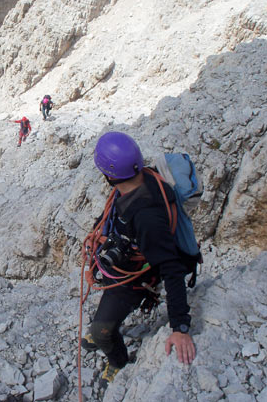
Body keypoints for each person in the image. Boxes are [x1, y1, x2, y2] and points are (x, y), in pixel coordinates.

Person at [82, 131, 196, 386]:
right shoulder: (141, 178)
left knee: (101, 332)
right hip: (128, 261)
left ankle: (118, 362)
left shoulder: (147, 217)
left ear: (109, 175)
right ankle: (104, 329)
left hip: (137, 277)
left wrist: (180, 328)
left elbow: (171, 269)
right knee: (106, 307)